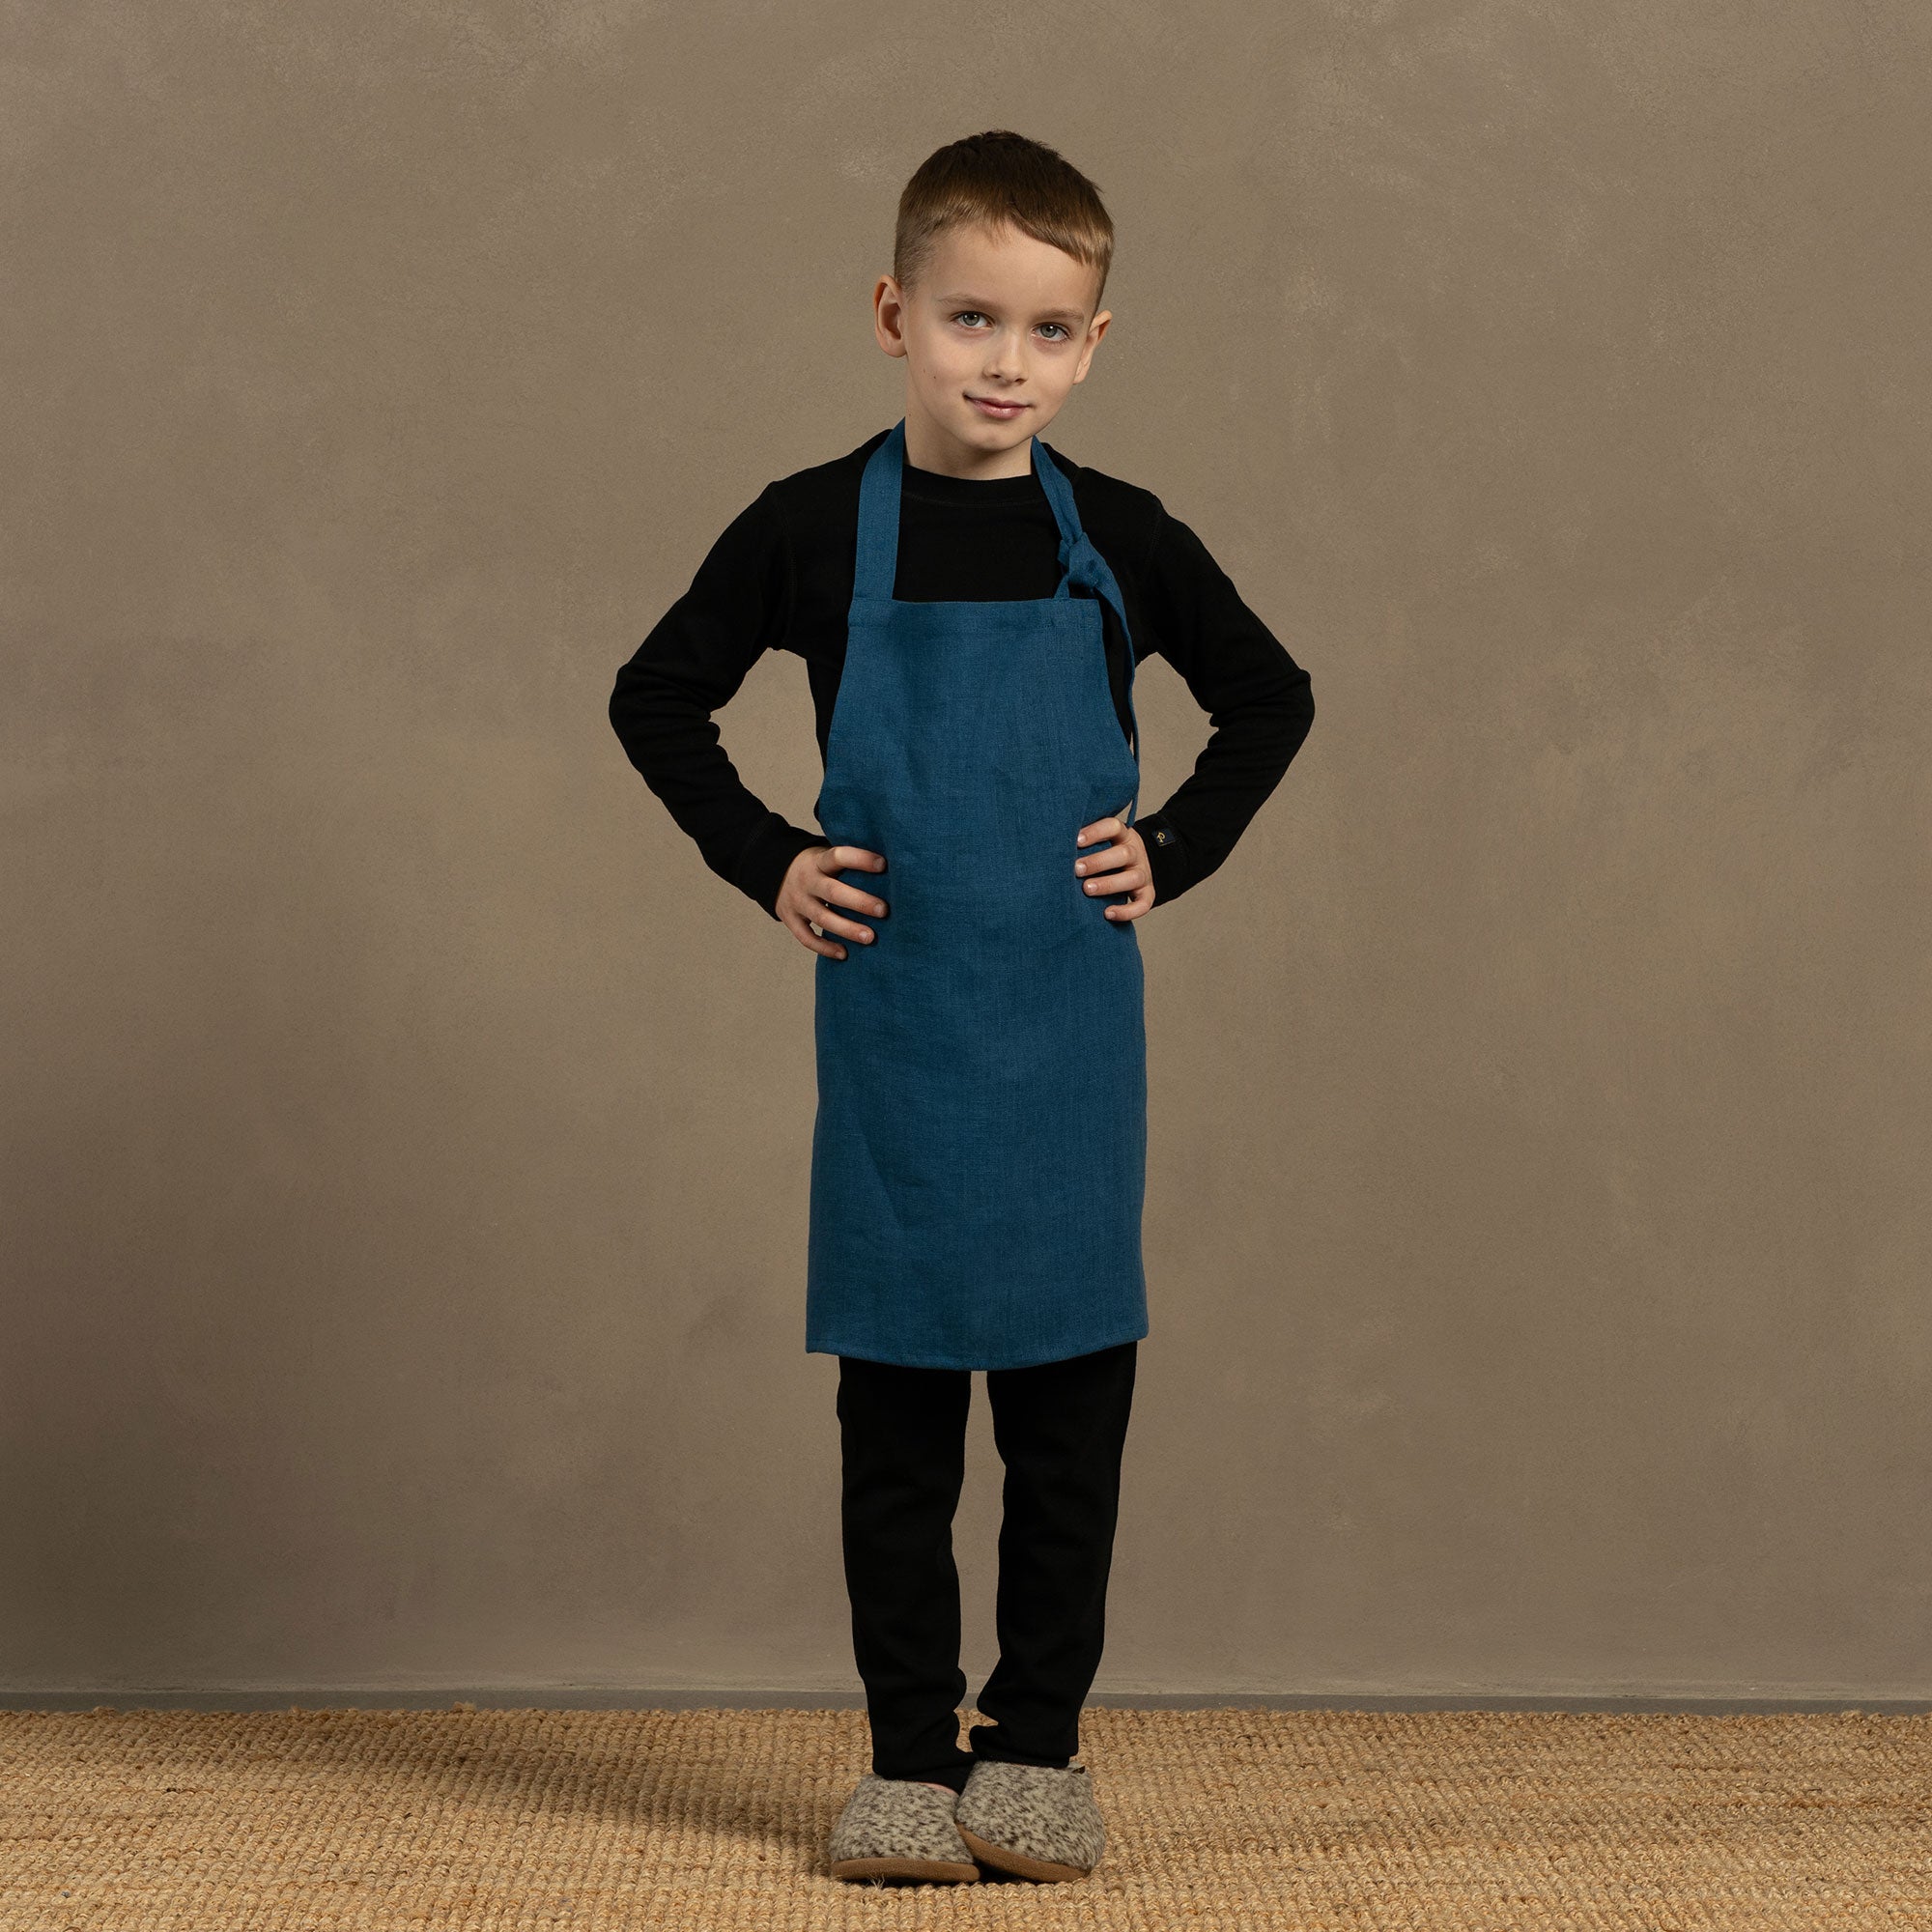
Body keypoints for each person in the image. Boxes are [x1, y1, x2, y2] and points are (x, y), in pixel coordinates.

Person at [608, 128, 1315, 1885]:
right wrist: (770, 857)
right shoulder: (805, 532)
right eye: (973, 319)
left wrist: (1175, 848)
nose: (1011, 363)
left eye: (1053, 331)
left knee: (1071, 1419)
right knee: (901, 1427)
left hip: (1071, 1039)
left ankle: (1042, 1751)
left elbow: (1271, 698)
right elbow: (655, 699)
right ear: (892, 314)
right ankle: (910, 1761)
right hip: (904, 1038)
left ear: (1094, 344)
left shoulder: (1124, 539)